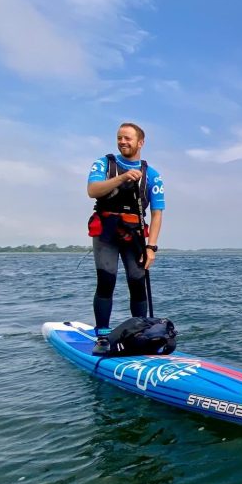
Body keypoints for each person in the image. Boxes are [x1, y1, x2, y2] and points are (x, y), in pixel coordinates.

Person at [87, 123, 165, 354]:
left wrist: (151, 247)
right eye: (120, 138)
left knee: (137, 282)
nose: (123, 142)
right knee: (106, 280)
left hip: (135, 235)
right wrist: (121, 179)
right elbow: (93, 190)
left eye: (128, 138)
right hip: (106, 234)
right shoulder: (103, 164)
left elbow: (157, 213)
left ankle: (140, 334)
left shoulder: (152, 175)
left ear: (140, 143)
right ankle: (102, 336)